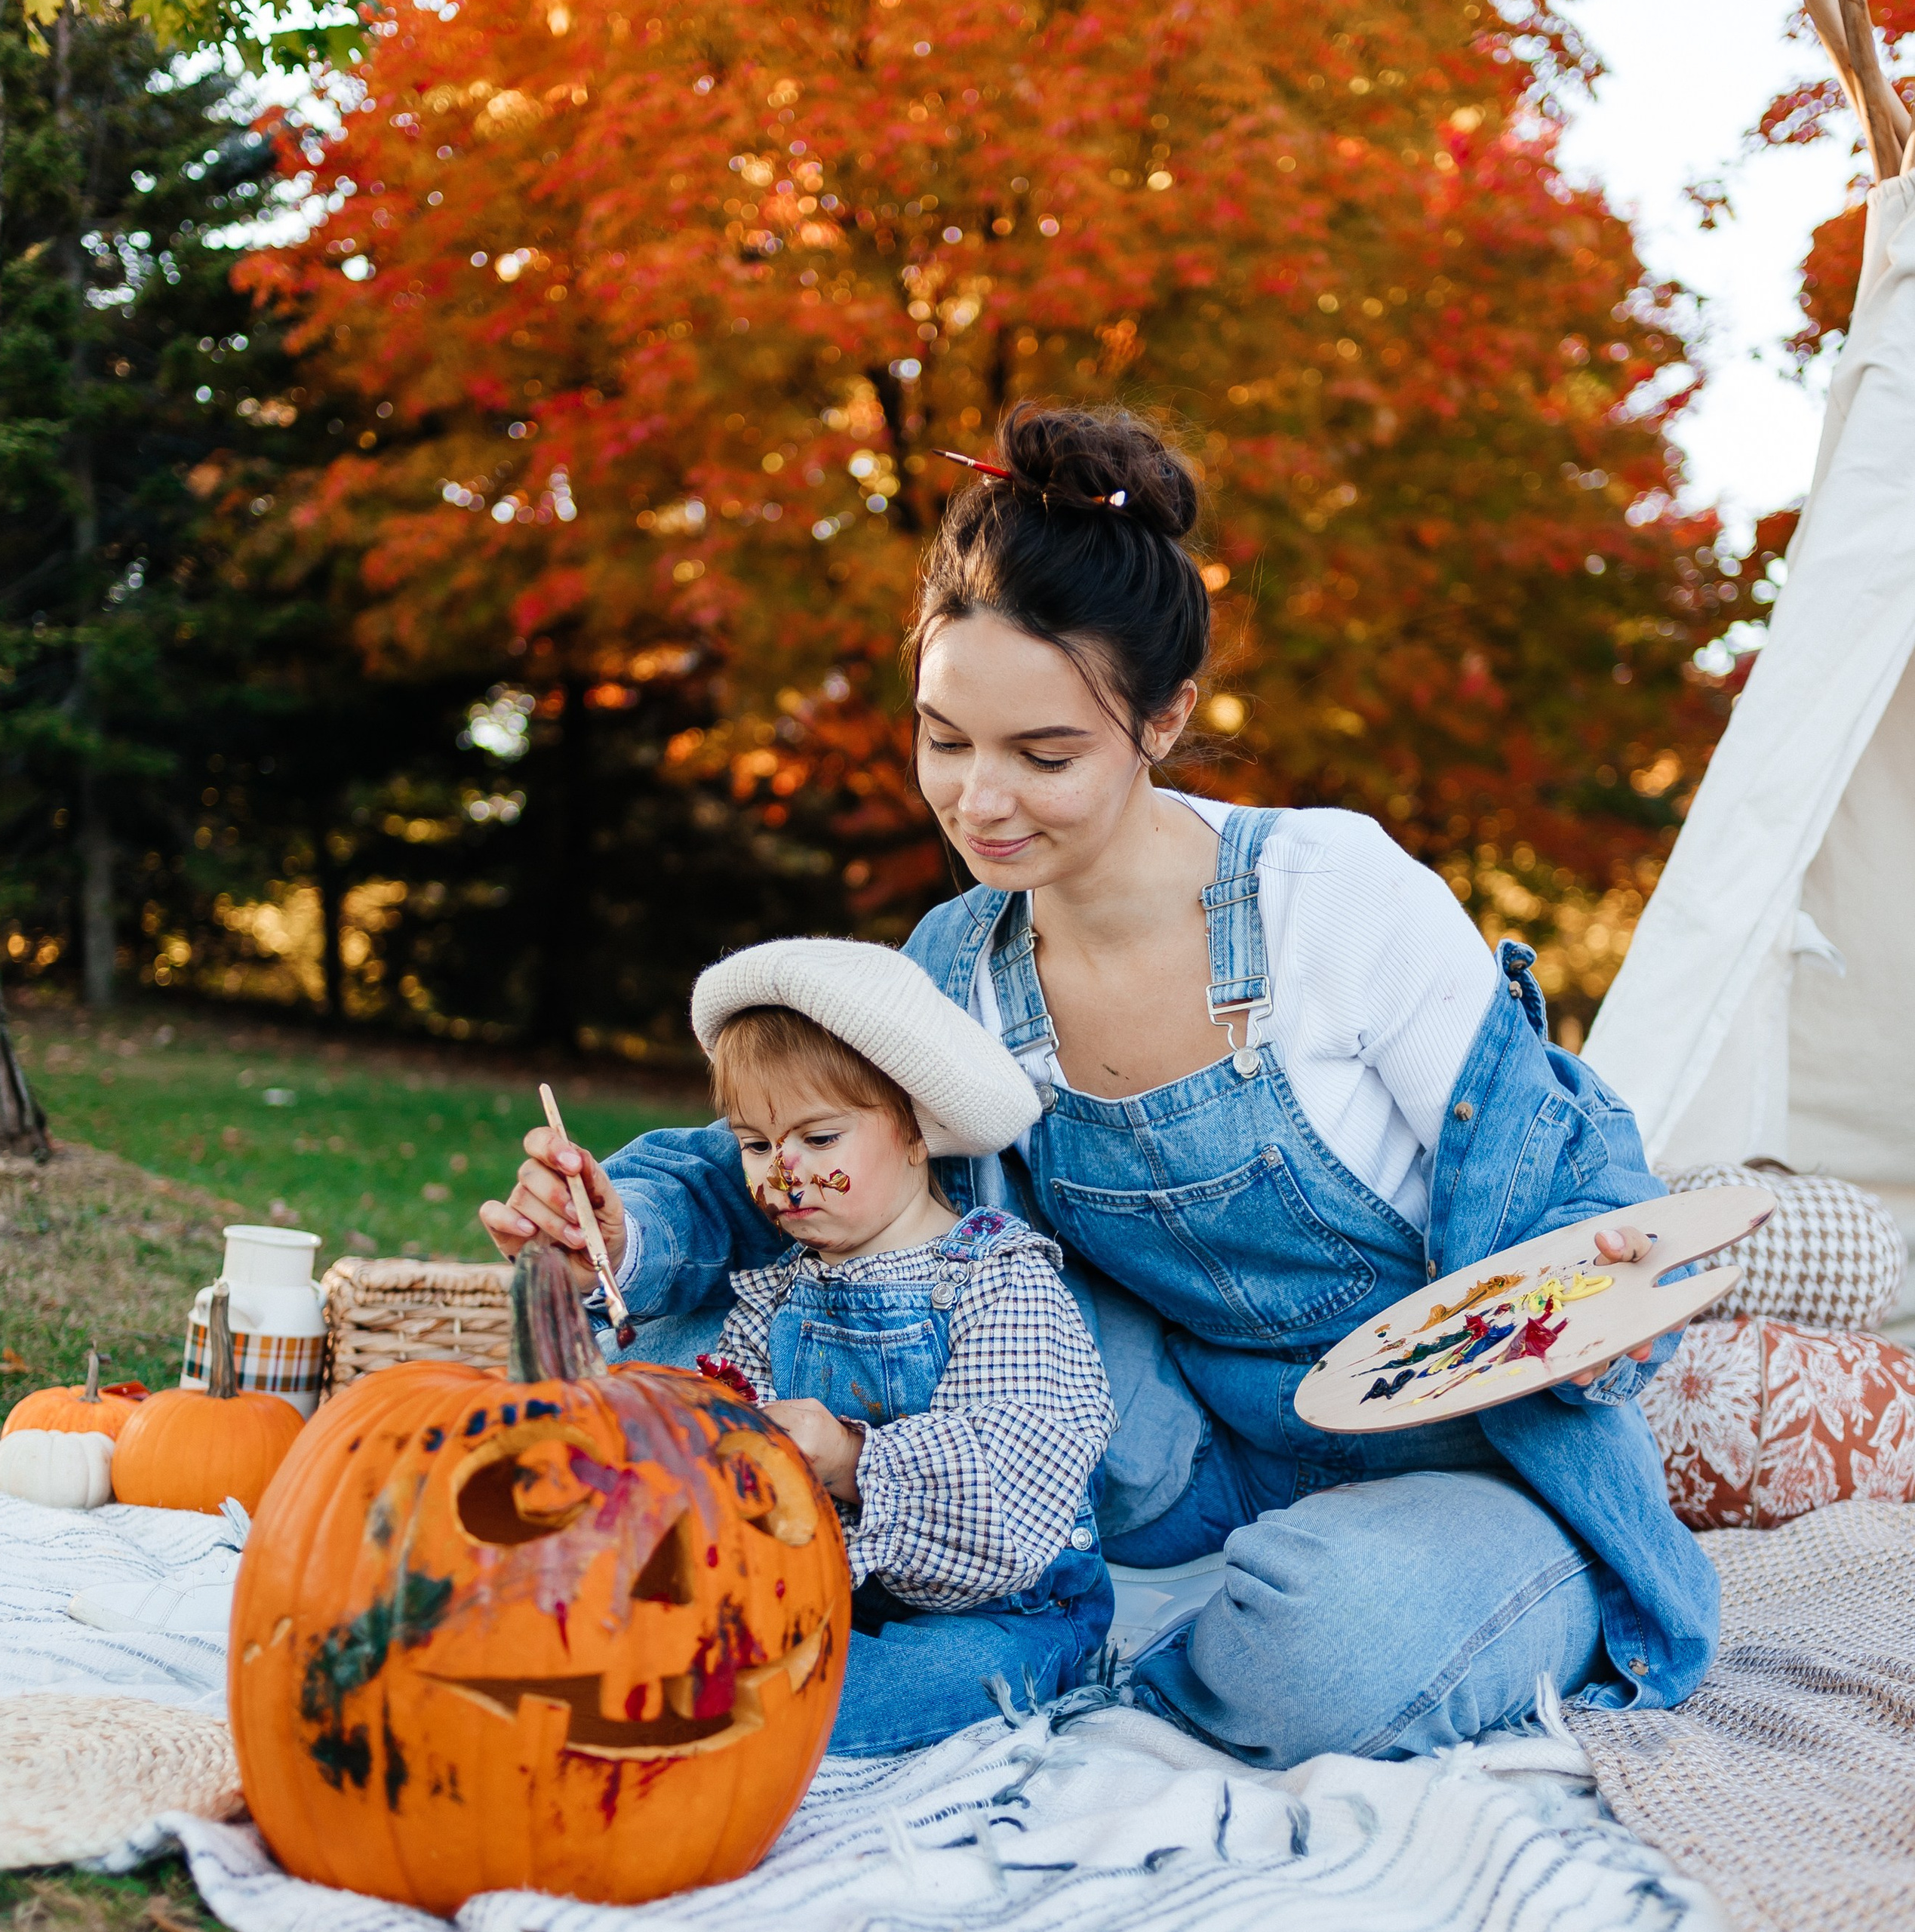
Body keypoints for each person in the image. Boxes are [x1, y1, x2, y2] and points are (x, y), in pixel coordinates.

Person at [484, 402, 1718, 1770]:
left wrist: (1605, 1294)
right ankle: (1060, 1611)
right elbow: (802, 1157)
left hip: (1459, 1457)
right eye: (944, 740)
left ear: (1164, 718)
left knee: (1317, 1651)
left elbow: (1567, 1182)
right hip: (1165, 1463)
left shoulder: (1334, 897)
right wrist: (624, 1224)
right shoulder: (960, 963)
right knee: (702, 1345)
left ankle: (1162, 1638)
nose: (979, 801)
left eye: (1044, 756)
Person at [669, 937, 1114, 1753]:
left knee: (856, 1696)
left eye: (819, 1140)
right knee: (692, 1648)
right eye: (757, 1145)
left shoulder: (996, 1280)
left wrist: (848, 1457)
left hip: (1007, 1610)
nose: (783, 1175)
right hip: (829, 1591)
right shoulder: (779, 1292)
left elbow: (1015, 1473)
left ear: (915, 1129)